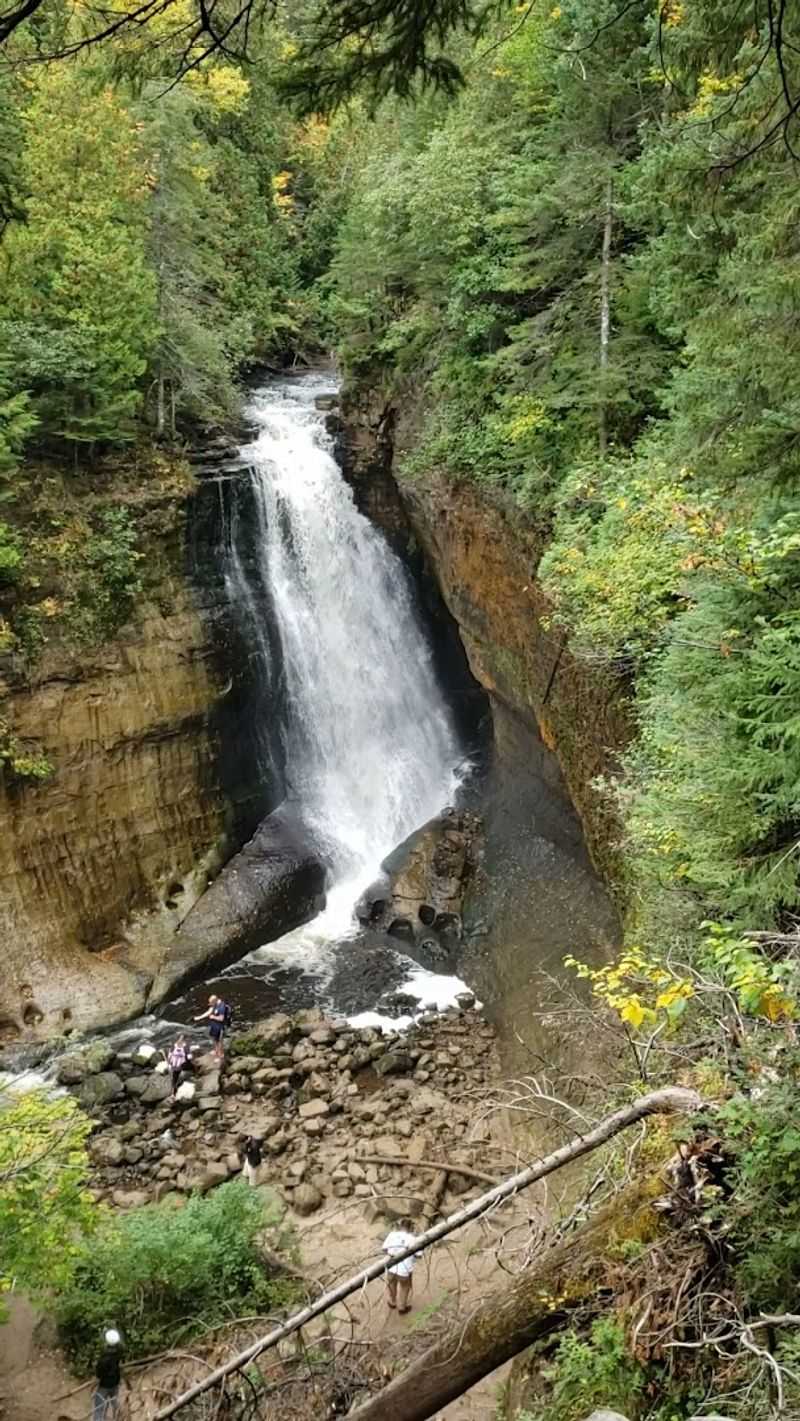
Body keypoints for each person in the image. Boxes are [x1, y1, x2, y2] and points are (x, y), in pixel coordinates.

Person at [382, 1217, 420, 1314]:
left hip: (391, 1266)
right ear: (410, 1227)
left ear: (400, 1226)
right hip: (405, 1269)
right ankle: (402, 1307)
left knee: (391, 1284)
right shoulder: (412, 1238)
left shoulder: (392, 1235)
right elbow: (419, 1255)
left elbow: (384, 1248)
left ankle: (392, 1301)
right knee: (404, 1287)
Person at [92, 1328, 123, 1420]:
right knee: (114, 1403)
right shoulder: (119, 1352)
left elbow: (99, 1373)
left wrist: (97, 1379)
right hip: (115, 1383)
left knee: (99, 1408)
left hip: (104, 1385)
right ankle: (119, 1417)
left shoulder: (103, 1358)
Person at [194, 994, 228, 1060]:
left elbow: (221, 1018)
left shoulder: (221, 1007)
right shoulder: (214, 1005)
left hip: (220, 1026)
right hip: (214, 1026)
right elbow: (209, 1012)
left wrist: (213, 1017)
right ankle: (216, 1051)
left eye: (211, 1003)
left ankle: (220, 1055)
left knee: (219, 1041)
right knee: (214, 1039)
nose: (210, 1004)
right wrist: (198, 1018)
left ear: (215, 1001)